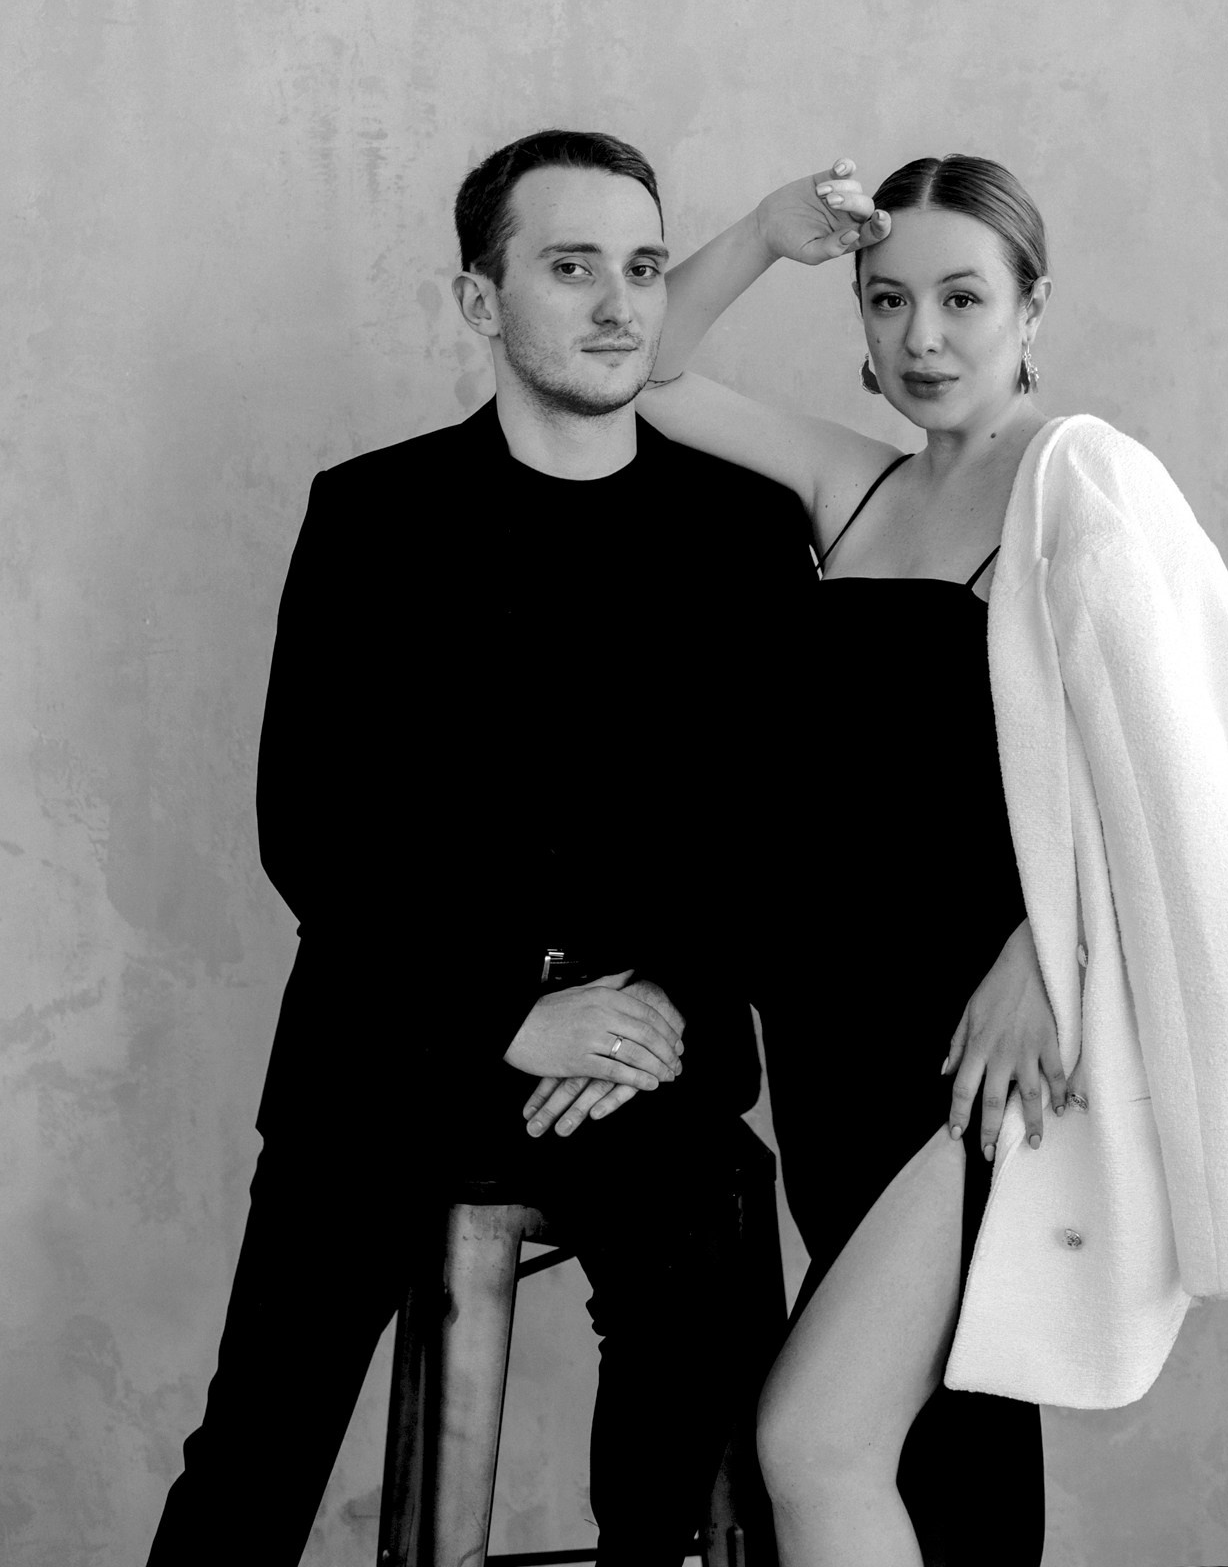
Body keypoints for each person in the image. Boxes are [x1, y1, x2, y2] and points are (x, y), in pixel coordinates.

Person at [635, 153, 1228, 1567]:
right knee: (944, 1443)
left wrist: (1049, 957)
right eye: (885, 301)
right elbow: (647, 369)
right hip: (829, 1032)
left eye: (962, 298)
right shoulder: (857, 489)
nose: (922, 338)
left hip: (976, 1042)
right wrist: (760, 235)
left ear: (1031, 307)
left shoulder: (1080, 479)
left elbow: (1171, 783)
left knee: (817, 1441)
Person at [147, 129, 816, 1567]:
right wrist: (507, 1011)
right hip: (394, 1045)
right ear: (479, 299)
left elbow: (771, 829)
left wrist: (655, 1006)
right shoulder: (372, 513)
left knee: (701, 1327)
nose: (619, 305)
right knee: (256, 1449)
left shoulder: (747, 532)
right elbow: (312, 824)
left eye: (643, 266)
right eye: (570, 268)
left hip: (640, 1053)